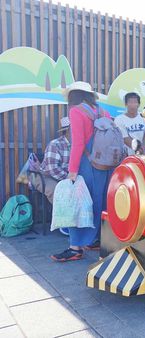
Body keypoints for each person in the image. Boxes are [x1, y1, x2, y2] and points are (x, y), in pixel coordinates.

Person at [50, 81, 112, 262]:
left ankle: (75, 247)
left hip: (88, 164)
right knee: (101, 203)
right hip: (106, 165)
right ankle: (97, 240)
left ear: (73, 96)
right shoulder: (103, 111)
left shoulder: (76, 112)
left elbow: (77, 144)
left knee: (77, 202)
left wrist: (72, 171)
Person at [29, 116, 71, 204]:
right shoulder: (55, 145)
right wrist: (70, 179)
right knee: (56, 191)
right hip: (44, 175)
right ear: (68, 131)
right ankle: (61, 216)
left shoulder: (78, 145)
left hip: (65, 177)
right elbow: (52, 169)